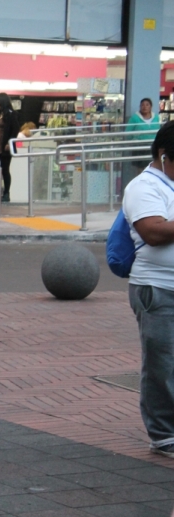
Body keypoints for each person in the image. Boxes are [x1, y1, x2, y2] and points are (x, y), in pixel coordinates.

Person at [123, 121, 174, 459]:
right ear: (164, 155)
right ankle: (164, 433)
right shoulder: (143, 187)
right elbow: (153, 231)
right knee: (162, 363)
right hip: (157, 288)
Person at [0, 93, 20, 202]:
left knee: (5, 170)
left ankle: (7, 192)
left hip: (5, 146)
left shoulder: (11, 114)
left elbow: (15, 129)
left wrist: (9, 142)